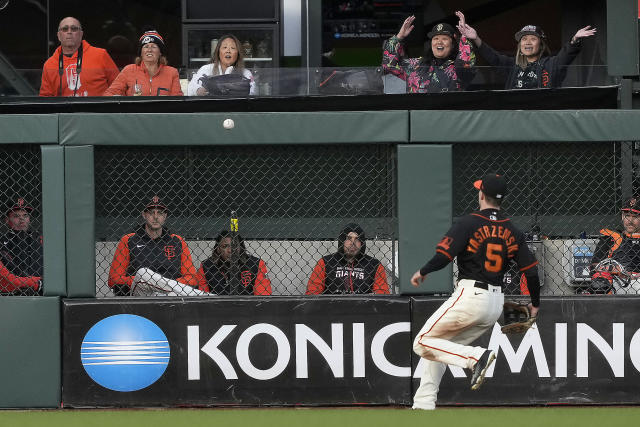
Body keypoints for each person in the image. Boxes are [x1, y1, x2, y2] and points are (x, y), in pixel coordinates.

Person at [409, 174, 540, 410]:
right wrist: (535, 303)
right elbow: (531, 272)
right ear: (502, 200)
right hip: (494, 304)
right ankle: (424, 403)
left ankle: (475, 357)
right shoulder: (513, 230)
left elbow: (444, 256)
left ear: (481, 194)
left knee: (422, 342)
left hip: (471, 295)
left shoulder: (468, 222)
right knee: (439, 346)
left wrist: (423, 271)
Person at [456, 11, 596, 89]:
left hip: (542, 122)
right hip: (515, 121)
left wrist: (574, 40)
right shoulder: (512, 65)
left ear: (540, 45)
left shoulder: (550, 64)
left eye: (533, 39)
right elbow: (494, 57)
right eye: (523, 39)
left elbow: (565, 56)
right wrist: (476, 38)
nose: (527, 42)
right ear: (520, 46)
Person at [108, 196, 198, 296]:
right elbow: (114, 280)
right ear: (144, 215)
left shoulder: (177, 241)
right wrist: (147, 281)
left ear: (165, 216)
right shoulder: (129, 240)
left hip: (170, 295)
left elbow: (192, 279)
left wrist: (161, 282)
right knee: (143, 273)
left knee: (170, 294)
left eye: (160, 213)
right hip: (141, 294)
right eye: (151, 213)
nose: (155, 217)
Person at [382, 13, 475, 93]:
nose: (439, 42)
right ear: (431, 44)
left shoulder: (457, 67)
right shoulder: (417, 65)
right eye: (435, 39)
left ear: (453, 44)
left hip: (448, 113)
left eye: (445, 39)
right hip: (418, 113)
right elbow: (389, 66)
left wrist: (464, 37)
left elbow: (465, 63)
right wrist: (399, 37)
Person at [40, 17, 119, 97]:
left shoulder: (100, 55)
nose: (69, 32)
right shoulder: (49, 64)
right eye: (65, 29)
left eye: (74, 29)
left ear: (81, 34)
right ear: (58, 36)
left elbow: (119, 87)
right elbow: (45, 99)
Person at [306, 223, 390, 295]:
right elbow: (312, 292)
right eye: (349, 238)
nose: (353, 243)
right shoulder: (326, 262)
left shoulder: (374, 265)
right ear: (342, 241)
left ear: (362, 244)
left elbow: (382, 294)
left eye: (357, 239)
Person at [104, 30, 183, 96]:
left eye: (154, 46)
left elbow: (178, 100)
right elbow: (109, 94)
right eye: (146, 46)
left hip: (162, 113)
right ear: (141, 53)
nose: (149, 50)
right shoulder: (129, 70)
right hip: (134, 113)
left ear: (160, 53)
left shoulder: (172, 72)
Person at [588, 196, 640, 294]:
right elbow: (594, 267)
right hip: (618, 282)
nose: (630, 221)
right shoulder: (611, 238)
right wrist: (613, 269)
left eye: (635, 217)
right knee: (600, 281)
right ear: (622, 216)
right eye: (627, 215)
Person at [196, 230, 271, 295]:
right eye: (225, 246)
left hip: (248, 308)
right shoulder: (206, 266)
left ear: (241, 248)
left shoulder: (255, 264)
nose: (230, 250)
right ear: (218, 249)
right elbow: (202, 299)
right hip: (217, 308)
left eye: (234, 246)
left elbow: (263, 297)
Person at [187, 34, 256, 96]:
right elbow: (191, 87)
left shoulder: (246, 73)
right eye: (224, 47)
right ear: (218, 52)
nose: (228, 51)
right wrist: (198, 90)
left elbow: (253, 91)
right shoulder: (206, 69)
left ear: (238, 54)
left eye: (233, 48)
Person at [0, 198, 42, 295]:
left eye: (25, 215)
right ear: (7, 220)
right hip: (11, 295)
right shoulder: (2, 240)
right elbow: (3, 279)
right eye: (16, 216)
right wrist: (34, 283)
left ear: (29, 219)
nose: (22, 219)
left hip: (42, 292)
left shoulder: (40, 239)